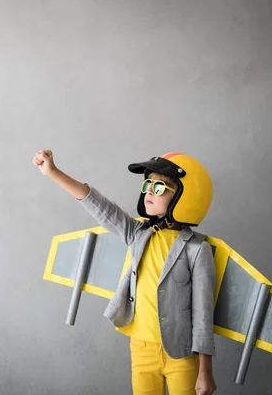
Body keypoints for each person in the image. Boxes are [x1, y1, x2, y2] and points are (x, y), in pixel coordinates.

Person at [33, 149, 217, 395]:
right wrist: (53, 173)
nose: (150, 191)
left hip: (182, 354)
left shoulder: (198, 250)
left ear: (185, 197)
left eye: (160, 187)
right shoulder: (137, 234)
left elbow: (203, 313)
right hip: (141, 349)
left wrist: (205, 371)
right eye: (148, 185)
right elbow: (100, 207)